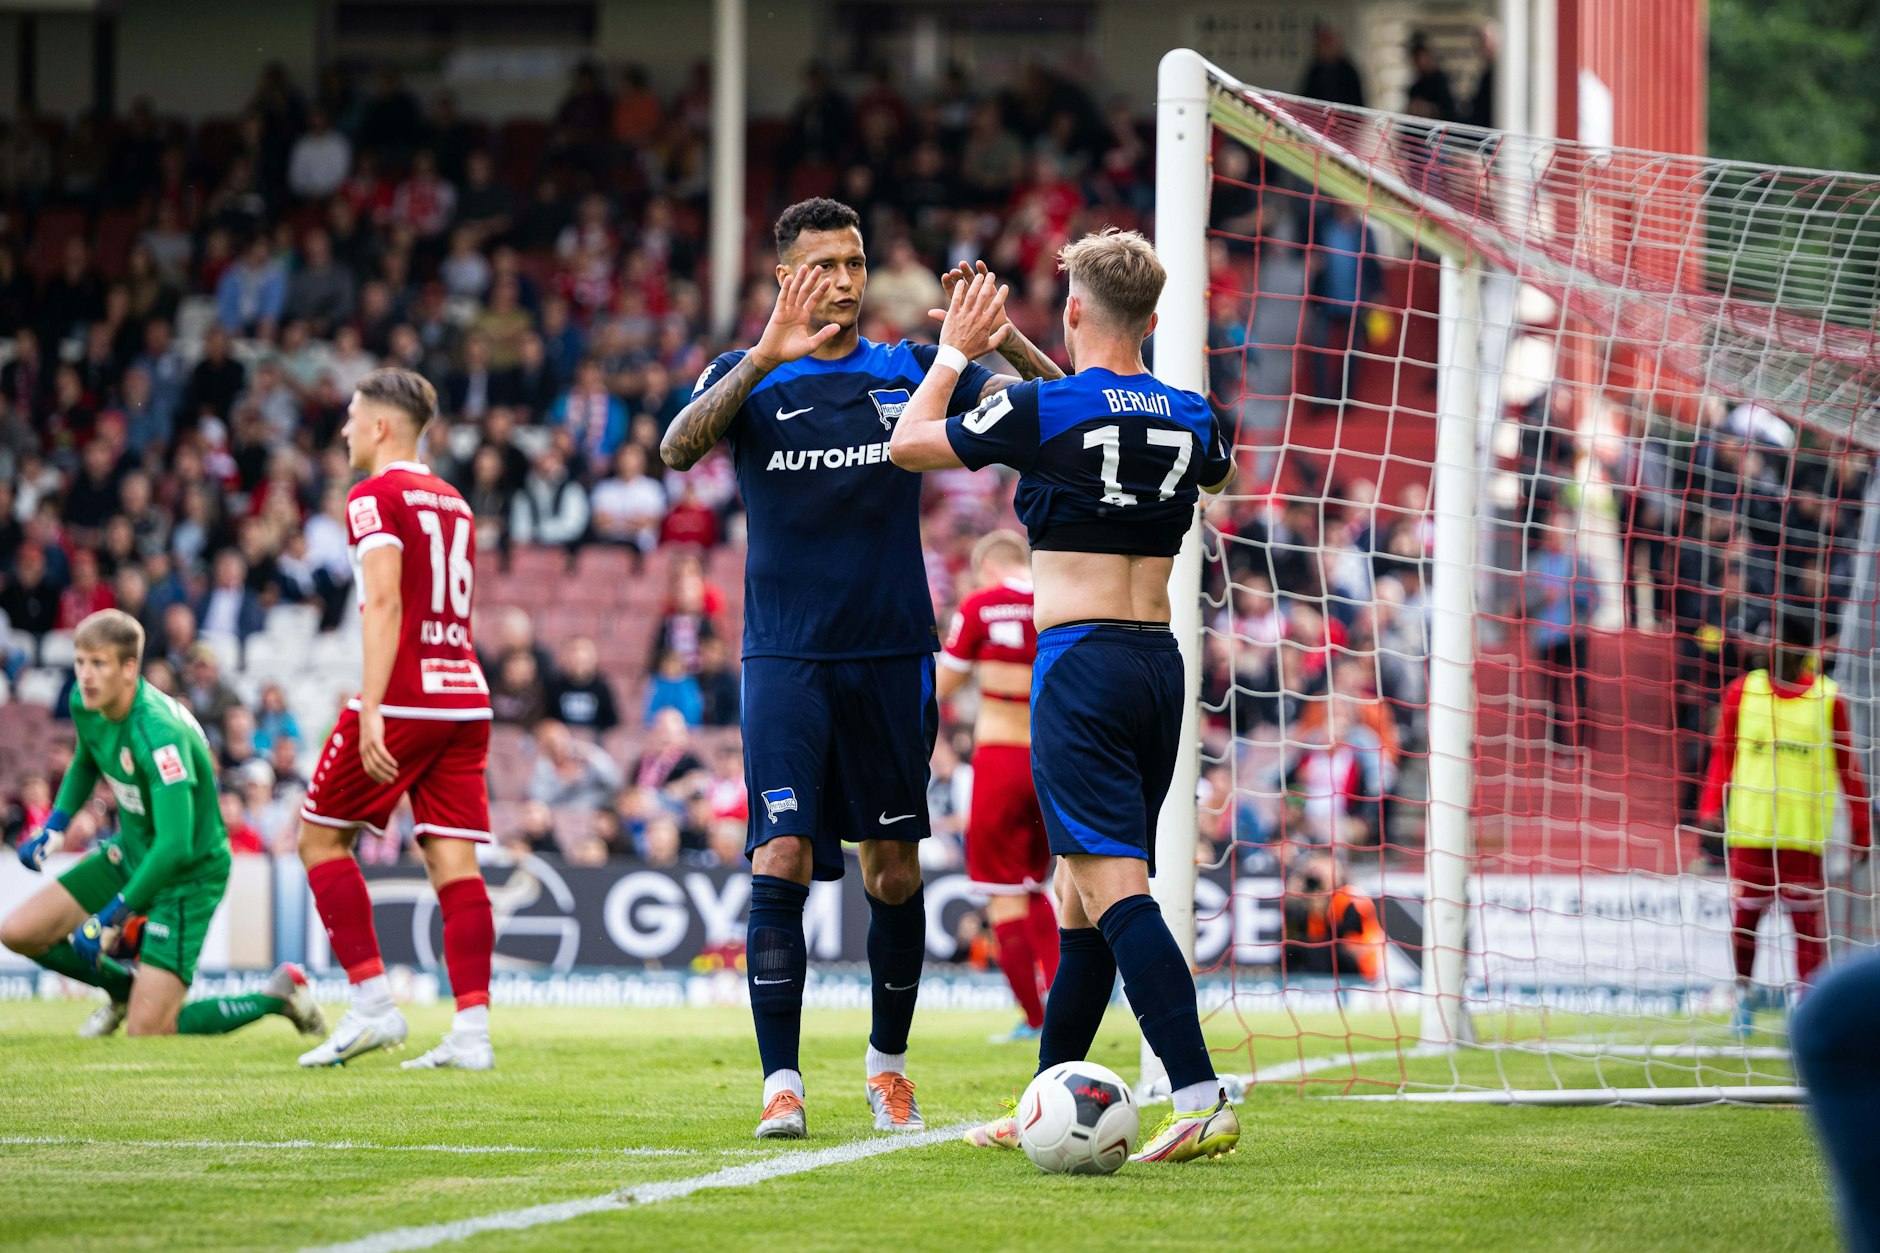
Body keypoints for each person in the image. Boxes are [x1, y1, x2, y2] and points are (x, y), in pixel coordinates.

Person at [658, 197, 1055, 1141]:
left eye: (855, 261)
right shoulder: (746, 377)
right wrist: (763, 354)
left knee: (891, 873)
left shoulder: (908, 370)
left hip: (889, 653)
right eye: (825, 264)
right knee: (781, 855)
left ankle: (887, 1069)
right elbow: (677, 449)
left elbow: (1055, 402)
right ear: (787, 274)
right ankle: (781, 1083)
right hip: (786, 654)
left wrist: (1003, 342)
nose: (844, 278)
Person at [891, 229, 1241, 1164]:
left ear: (1073, 310)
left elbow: (907, 443)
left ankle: (1201, 1092)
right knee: (1077, 896)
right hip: (1159, 665)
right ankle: (1047, 1092)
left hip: (1080, 664)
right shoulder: (1197, 414)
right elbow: (1217, 472)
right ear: (1157, 319)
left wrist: (962, 349)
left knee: (1116, 887)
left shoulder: (1040, 408)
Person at [294, 368, 498, 1071]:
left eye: (352, 416)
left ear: (381, 426)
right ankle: (472, 1031)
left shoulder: (372, 496)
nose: (345, 429)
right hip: (465, 696)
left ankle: (374, 1003)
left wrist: (372, 705)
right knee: (454, 862)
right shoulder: (454, 500)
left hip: (406, 695)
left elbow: (382, 602)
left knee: (320, 840)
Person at [0, 609, 324, 1041]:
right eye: (80, 662)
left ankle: (278, 996)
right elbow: (86, 758)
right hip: (132, 852)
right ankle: (123, 989)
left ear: (129, 668)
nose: (86, 675)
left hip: (189, 873)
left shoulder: (159, 733)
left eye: (98, 664)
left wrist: (113, 914)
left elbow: (175, 847)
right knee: (18, 932)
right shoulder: (86, 701)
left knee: (149, 1030)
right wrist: (55, 826)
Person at [1698, 613, 1871, 1037]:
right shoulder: (1743, 691)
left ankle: (1805, 1006)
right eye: (1761, 638)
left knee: (1807, 930)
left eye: (1771, 638)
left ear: (1798, 648)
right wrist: (1708, 808)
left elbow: (1848, 769)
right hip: (1751, 832)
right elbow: (1724, 755)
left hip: (1802, 836)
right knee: (1744, 923)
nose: (1763, 646)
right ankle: (1743, 996)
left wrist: (1862, 827)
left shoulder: (1828, 699)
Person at [938, 529, 1058, 1043]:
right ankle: (1067, 1000)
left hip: (999, 759)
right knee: (1037, 886)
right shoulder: (1056, 599)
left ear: (987, 567)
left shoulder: (981, 604)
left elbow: (943, 686)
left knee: (1003, 896)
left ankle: (1036, 1020)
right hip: (1054, 760)